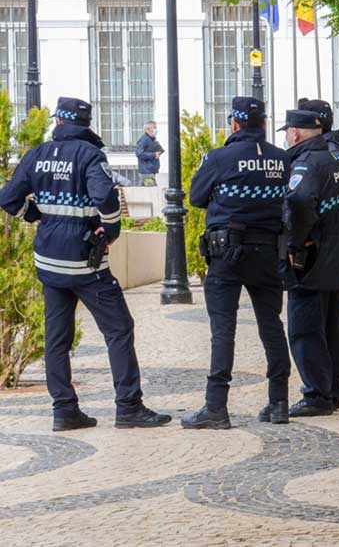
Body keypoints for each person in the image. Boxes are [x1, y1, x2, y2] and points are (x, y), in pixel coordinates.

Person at [0, 97, 171, 431]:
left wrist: (36, 215)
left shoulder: (37, 155)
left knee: (57, 339)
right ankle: (129, 406)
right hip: (85, 264)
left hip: (49, 263)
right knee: (119, 329)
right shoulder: (90, 155)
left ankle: (64, 411)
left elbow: (7, 198)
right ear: (85, 124)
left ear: (60, 123)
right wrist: (110, 229)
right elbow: (105, 197)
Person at [180, 98, 292, 430]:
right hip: (269, 252)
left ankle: (216, 407)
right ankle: (279, 402)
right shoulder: (281, 159)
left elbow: (196, 198)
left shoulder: (218, 158)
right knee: (271, 325)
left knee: (222, 331)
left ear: (234, 124)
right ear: (263, 124)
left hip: (227, 254)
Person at [279, 109, 339, 417]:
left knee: (305, 329)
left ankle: (316, 394)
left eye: (288, 131)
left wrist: (294, 244)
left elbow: (299, 203)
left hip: (312, 260)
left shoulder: (305, 163)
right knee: (332, 327)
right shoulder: (338, 161)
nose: (287, 136)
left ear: (296, 134)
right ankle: (332, 391)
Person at [296, 98, 339, 400]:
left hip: (324, 247)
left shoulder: (325, 154)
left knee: (335, 314)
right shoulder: (335, 151)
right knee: (337, 311)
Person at [134, 121, 162, 186]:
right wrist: (153, 154)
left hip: (150, 171)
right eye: (154, 128)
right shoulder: (144, 139)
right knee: (152, 191)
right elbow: (139, 154)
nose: (156, 130)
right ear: (148, 129)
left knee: (142, 192)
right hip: (147, 172)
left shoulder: (152, 139)